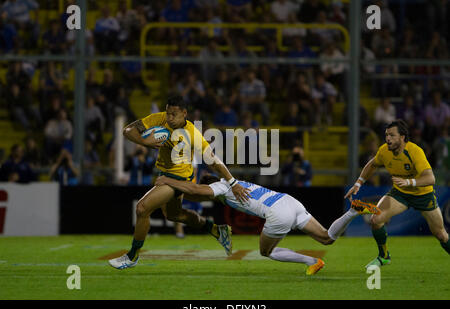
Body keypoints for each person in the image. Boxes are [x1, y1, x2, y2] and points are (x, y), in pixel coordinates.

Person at [108, 94, 250, 269]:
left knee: (142, 208)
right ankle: (215, 229)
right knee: (174, 215)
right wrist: (145, 142)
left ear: (184, 113)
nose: (169, 118)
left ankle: (132, 256)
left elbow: (213, 160)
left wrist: (233, 182)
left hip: (179, 178)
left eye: (173, 114)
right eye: (168, 113)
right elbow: (128, 130)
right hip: (165, 174)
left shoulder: (192, 134)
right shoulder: (159, 119)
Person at [154, 174, 381, 276]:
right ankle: (352, 211)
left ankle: (312, 261)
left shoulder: (221, 187)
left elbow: (195, 191)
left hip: (278, 213)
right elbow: (195, 195)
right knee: (326, 237)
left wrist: (167, 181)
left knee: (266, 251)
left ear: (210, 186)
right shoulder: (234, 182)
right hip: (289, 201)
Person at [345, 119, 450, 268]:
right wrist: (358, 183)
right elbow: (372, 164)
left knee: (441, 234)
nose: (388, 138)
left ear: (402, 137)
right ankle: (384, 256)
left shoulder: (415, 151)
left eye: (392, 135)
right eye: (387, 135)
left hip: (423, 195)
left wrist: (409, 182)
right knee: (376, 219)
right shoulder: (384, 151)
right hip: (400, 193)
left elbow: (430, 178)